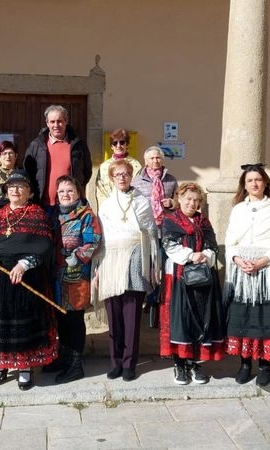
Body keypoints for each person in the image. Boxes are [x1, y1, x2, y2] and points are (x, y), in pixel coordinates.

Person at [0, 170, 57, 391]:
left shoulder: (36, 213)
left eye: (20, 187)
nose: (15, 190)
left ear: (29, 191)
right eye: (11, 187)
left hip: (25, 277)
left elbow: (45, 245)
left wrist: (24, 264)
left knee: (23, 323)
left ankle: (25, 368)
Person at [224, 164, 270, 387]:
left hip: (267, 271)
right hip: (242, 272)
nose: (254, 184)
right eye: (249, 181)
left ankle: (265, 365)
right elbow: (230, 241)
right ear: (244, 186)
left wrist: (261, 262)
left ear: (265, 182)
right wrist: (238, 260)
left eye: (258, 179)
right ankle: (245, 364)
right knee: (243, 318)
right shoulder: (238, 210)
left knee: (266, 318)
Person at [92, 159, 160, 382]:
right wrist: (99, 269)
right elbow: (101, 238)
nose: (122, 177)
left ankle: (130, 363)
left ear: (132, 176)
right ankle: (116, 362)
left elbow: (150, 233)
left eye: (126, 173)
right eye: (117, 174)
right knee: (114, 314)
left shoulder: (142, 201)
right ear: (111, 178)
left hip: (135, 256)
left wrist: (151, 264)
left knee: (131, 315)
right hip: (111, 259)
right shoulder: (107, 205)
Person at [159, 182, 225, 385]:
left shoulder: (204, 222)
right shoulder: (170, 220)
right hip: (179, 276)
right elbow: (169, 245)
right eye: (188, 199)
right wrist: (190, 255)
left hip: (203, 277)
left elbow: (213, 246)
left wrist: (204, 255)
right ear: (179, 198)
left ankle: (194, 362)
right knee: (181, 318)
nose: (192, 203)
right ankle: (179, 364)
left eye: (196, 200)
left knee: (200, 317)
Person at [46, 175, 102, 384]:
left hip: (76, 275)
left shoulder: (86, 215)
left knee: (74, 319)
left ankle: (75, 364)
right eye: (61, 191)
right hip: (55, 276)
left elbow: (93, 240)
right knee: (60, 317)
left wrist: (77, 256)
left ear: (78, 192)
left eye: (70, 190)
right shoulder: (52, 215)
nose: (66, 195)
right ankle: (63, 357)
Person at [131, 146, 178, 327]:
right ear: (145, 161)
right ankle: (149, 298)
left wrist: (172, 202)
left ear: (162, 160)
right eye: (151, 158)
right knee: (148, 266)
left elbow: (179, 201)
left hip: (165, 229)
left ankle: (159, 299)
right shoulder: (136, 181)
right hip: (147, 230)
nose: (155, 161)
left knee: (163, 265)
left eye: (158, 158)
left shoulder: (171, 180)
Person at [23, 105, 92, 210]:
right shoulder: (36, 145)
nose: (56, 125)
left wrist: (76, 189)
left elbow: (87, 172)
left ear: (66, 121)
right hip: (43, 205)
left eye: (59, 121)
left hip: (70, 205)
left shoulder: (78, 145)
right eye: (52, 122)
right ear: (47, 123)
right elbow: (28, 172)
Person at [95, 128, 142, 208]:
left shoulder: (136, 165)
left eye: (122, 142)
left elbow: (138, 187)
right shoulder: (104, 166)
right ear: (111, 146)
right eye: (115, 143)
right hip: (109, 207)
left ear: (127, 144)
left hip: (129, 206)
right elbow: (100, 190)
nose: (118, 146)